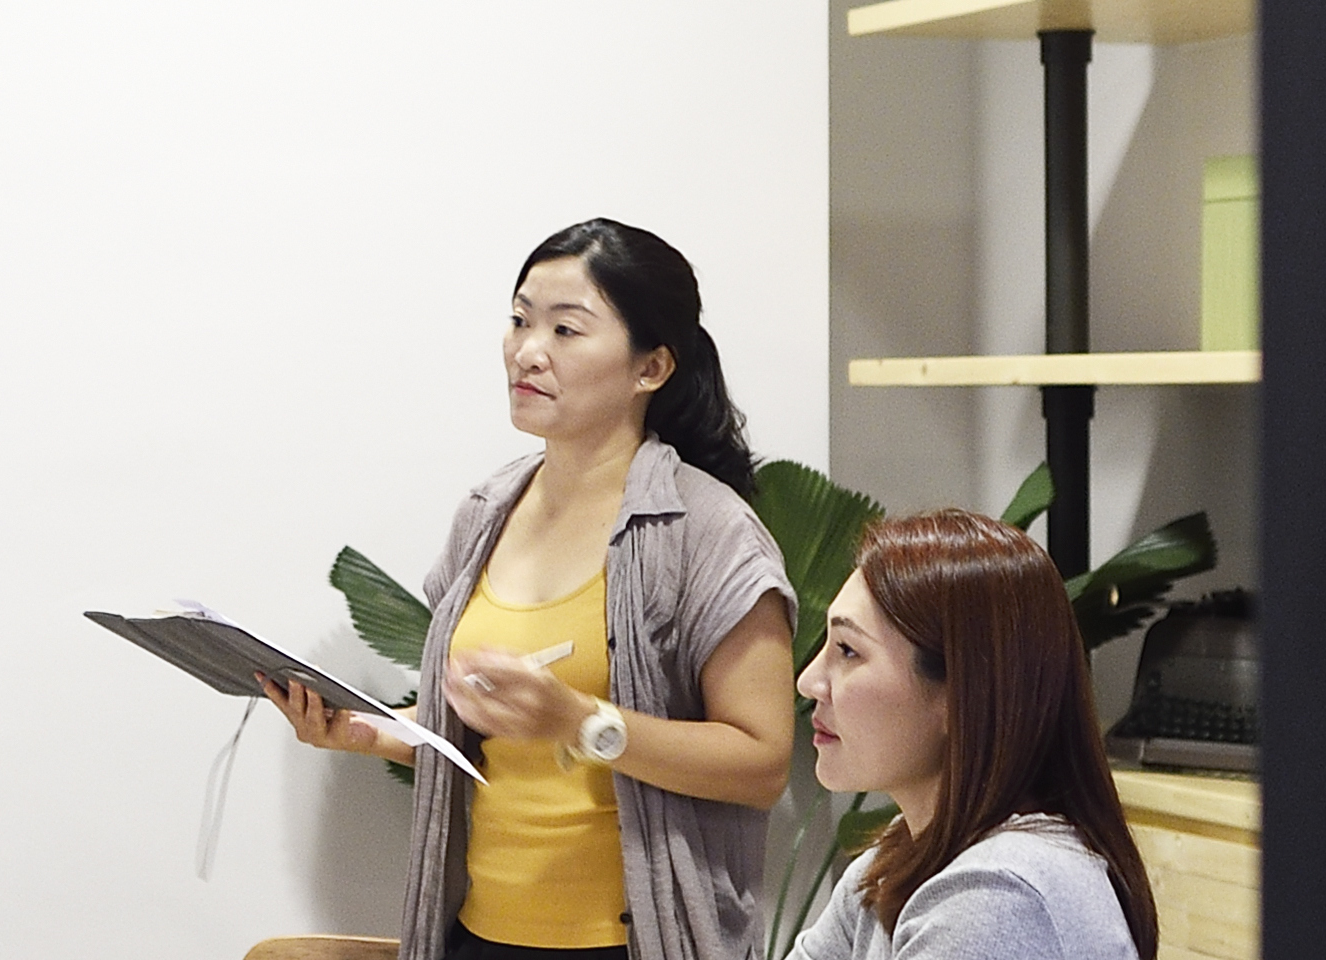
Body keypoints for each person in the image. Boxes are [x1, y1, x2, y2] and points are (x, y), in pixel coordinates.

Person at [266, 218, 797, 960]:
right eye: (519, 320)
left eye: (566, 330)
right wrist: (370, 731)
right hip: (477, 932)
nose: (527, 350)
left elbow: (761, 763)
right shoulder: (487, 512)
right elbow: (490, 728)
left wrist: (583, 722)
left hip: (633, 943)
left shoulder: (708, 531)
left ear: (651, 368)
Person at [787, 510, 1155, 960]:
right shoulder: (900, 857)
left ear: (961, 695)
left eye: (847, 650)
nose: (809, 681)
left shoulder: (998, 896)